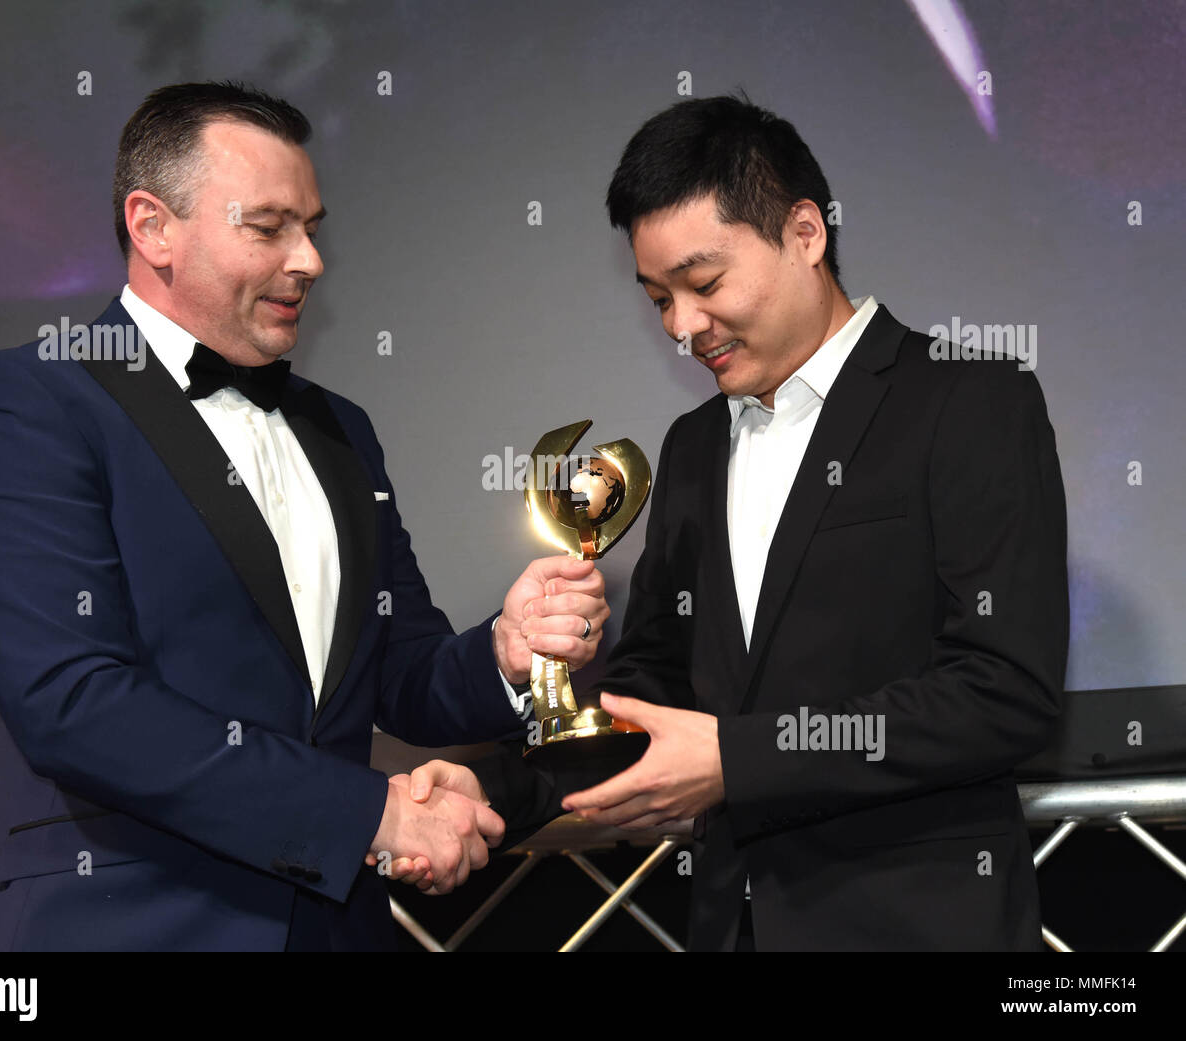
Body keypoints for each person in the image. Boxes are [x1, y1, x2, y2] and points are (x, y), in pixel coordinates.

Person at [0, 81, 609, 951]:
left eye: (313, 228)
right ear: (153, 227)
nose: (309, 261)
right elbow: (73, 702)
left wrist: (504, 653)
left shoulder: (341, 430)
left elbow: (397, 670)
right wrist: (373, 813)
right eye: (268, 227)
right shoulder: (27, 399)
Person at [400, 95, 1069, 951]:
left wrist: (739, 761)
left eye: (704, 283)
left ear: (805, 233)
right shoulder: (693, 446)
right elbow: (651, 697)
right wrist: (489, 787)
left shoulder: (971, 400)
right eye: (658, 299)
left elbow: (1004, 691)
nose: (683, 326)